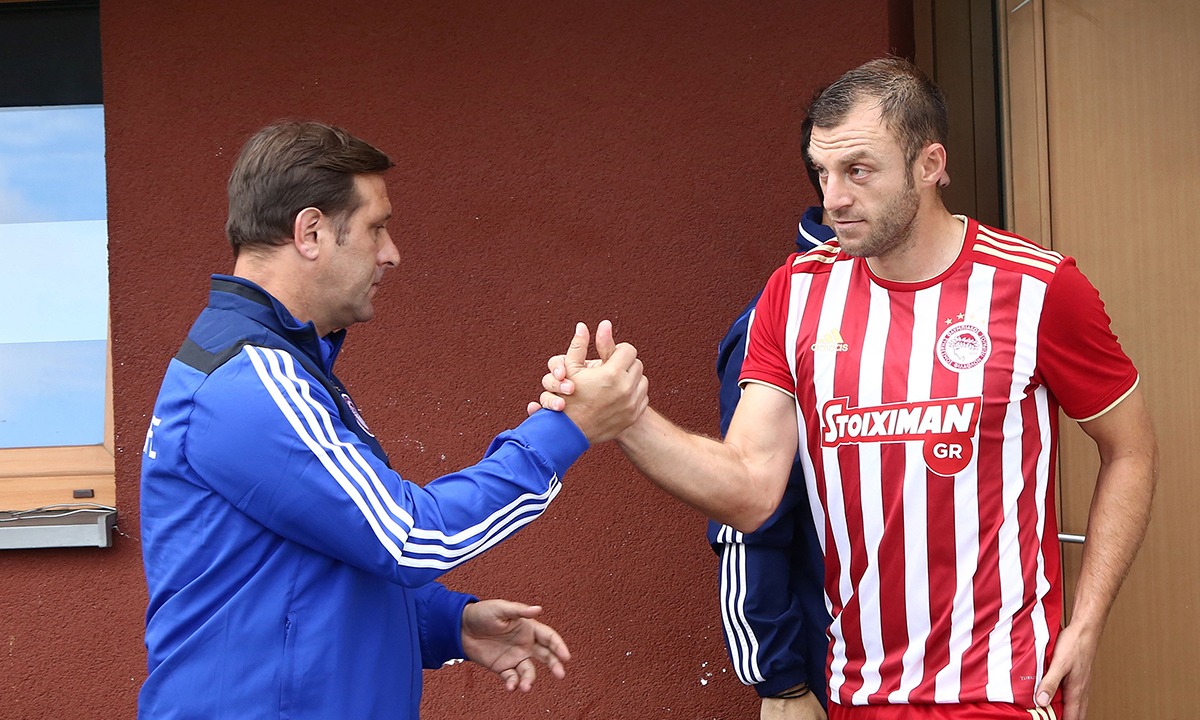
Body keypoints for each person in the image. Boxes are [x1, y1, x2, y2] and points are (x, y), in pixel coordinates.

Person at [539, 58, 1156, 720]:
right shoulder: (794, 294)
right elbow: (749, 490)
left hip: (1001, 690)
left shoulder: (1038, 288)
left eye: (858, 171)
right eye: (822, 171)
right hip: (855, 692)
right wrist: (627, 418)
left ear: (930, 164)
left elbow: (1130, 450)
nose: (832, 197)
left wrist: (1087, 623)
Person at [138, 121, 648, 720]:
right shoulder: (248, 381)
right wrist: (566, 430)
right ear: (310, 232)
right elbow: (406, 537)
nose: (391, 253)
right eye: (376, 227)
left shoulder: (269, 366)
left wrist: (444, 623)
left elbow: (308, 564)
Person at [707, 115, 835, 719]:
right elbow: (746, 507)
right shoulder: (781, 316)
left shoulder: (959, 301)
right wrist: (779, 681)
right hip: (829, 667)